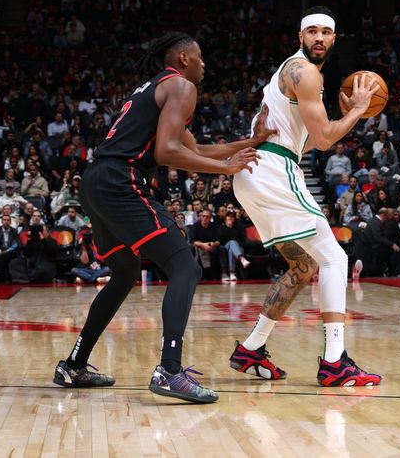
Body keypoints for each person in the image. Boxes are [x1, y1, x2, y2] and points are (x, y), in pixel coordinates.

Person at [53, 31, 274, 404]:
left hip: (95, 182)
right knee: (185, 266)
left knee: (124, 273)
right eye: (201, 57)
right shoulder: (182, 86)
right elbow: (169, 152)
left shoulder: (154, 88)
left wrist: (251, 142)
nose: (205, 65)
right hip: (121, 180)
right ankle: (170, 370)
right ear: (184, 59)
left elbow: (197, 147)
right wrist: (224, 168)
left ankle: (74, 365)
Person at [230, 7, 381, 386]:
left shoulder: (300, 74)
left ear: (333, 39)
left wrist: (348, 115)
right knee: (334, 259)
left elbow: (316, 139)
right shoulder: (305, 71)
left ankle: (251, 347)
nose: (318, 37)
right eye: (311, 31)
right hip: (273, 169)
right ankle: (335, 362)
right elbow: (328, 139)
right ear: (301, 37)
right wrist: (360, 110)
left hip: (255, 174)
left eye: (324, 33)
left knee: (304, 266)